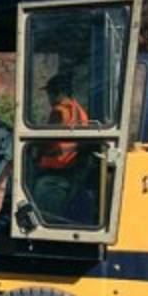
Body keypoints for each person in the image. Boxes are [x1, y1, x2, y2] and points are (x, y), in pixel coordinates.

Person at [32, 73, 88, 222]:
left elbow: (46, 140)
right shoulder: (78, 110)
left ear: (58, 93)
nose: (49, 99)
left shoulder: (59, 112)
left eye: (49, 94)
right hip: (71, 166)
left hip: (58, 168)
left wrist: (33, 148)